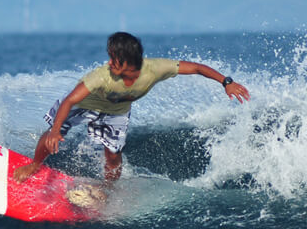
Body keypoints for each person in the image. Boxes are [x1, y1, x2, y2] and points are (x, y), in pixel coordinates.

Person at [13, 32, 250, 184]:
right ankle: (35, 163)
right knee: (54, 132)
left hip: (116, 112)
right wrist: (55, 131)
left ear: (126, 63)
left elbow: (197, 68)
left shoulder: (155, 69)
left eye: (113, 59)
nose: (108, 63)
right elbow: (69, 101)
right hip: (86, 104)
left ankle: (107, 189)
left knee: (114, 155)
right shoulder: (101, 77)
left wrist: (226, 82)